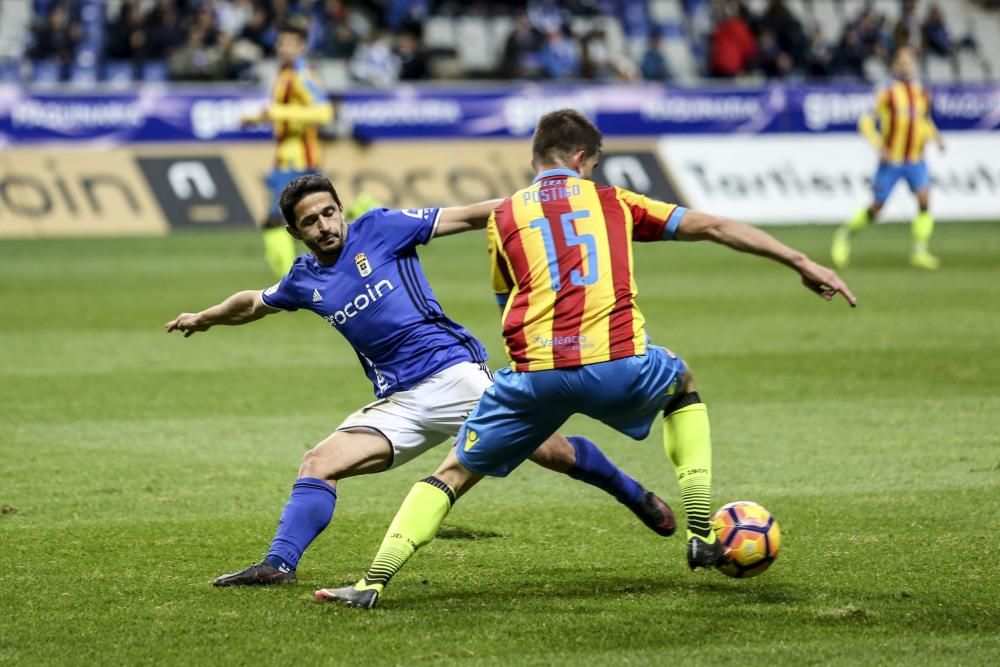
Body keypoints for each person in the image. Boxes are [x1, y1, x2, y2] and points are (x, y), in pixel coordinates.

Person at [316, 109, 856, 609]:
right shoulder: (614, 201)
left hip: (534, 377)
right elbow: (715, 227)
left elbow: (506, 302)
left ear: (537, 157)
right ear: (582, 159)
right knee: (682, 381)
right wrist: (800, 260)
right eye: (594, 164)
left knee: (452, 473)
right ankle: (699, 532)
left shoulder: (503, 216)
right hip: (619, 365)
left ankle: (371, 584)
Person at [165, 174, 678, 587]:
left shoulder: (382, 228)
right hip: (399, 401)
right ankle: (278, 565)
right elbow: (254, 301)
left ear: (341, 209)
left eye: (328, 212)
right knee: (318, 463)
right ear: (296, 233)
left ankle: (632, 493)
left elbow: (473, 214)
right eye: (310, 222)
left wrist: (536, 204)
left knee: (554, 453)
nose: (324, 226)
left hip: (454, 376)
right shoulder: (304, 278)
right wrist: (205, 317)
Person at [831, 46, 945, 270]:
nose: (905, 65)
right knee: (877, 208)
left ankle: (919, 251)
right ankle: (844, 234)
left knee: (924, 200)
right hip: (891, 161)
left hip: (915, 159)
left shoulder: (921, 92)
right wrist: (878, 145)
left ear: (914, 65)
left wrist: (936, 137)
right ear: (894, 65)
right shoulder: (887, 93)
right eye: (901, 61)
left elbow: (923, 120)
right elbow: (865, 122)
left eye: (909, 61)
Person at [241, 19, 333, 279]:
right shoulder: (284, 73)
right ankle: (296, 278)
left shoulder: (301, 75)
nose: (284, 48)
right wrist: (258, 118)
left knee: (278, 221)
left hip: (298, 161)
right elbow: (282, 114)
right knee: (298, 220)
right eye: (281, 43)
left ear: (303, 47)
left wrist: (276, 112)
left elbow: (324, 112)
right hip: (286, 158)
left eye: (291, 44)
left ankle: (290, 281)